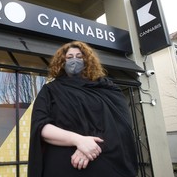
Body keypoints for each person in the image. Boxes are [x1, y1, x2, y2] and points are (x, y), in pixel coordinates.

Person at [28, 41, 138, 177]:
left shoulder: (108, 88)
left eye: (79, 57)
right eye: (69, 57)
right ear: (62, 62)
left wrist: (91, 146)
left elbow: (122, 126)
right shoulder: (50, 90)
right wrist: (79, 140)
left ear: (87, 60)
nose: (74, 60)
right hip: (61, 168)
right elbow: (41, 126)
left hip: (105, 165)